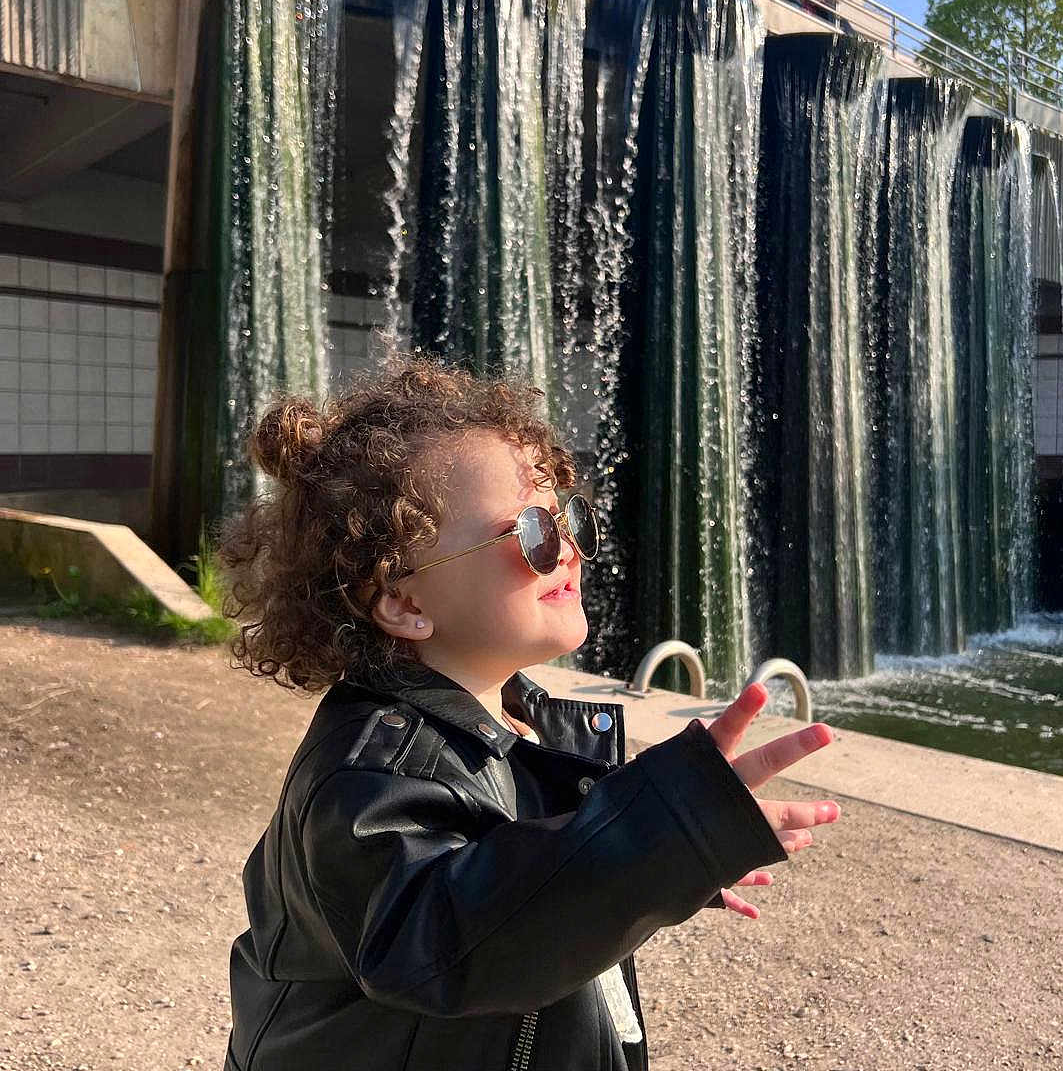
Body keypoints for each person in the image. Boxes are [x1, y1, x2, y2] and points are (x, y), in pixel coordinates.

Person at [219, 353, 841, 1071]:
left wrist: (659, 867)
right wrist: (661, 836)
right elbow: (453, 940)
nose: (569, 551)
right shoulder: (364, 780)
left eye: (567, 519)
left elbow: (533, 891)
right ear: (404, 602)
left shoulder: (528, 725)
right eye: (531, 535)